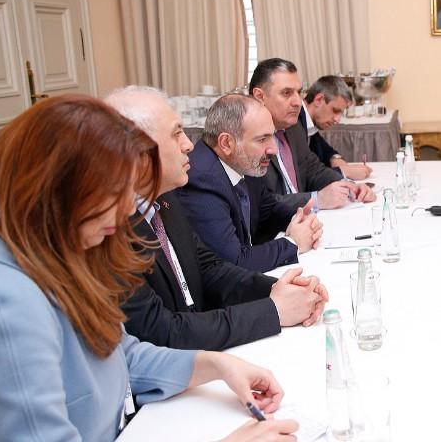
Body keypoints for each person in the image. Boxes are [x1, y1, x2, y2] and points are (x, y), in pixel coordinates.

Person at [0, 95, 296, 440]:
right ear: (60, 191)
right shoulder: (1, 300)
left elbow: (121, 355)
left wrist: (216, 365)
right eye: (115, 189)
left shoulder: (59, 254)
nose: (127, 207)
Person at [105, 86, 328, 351]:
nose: (189, 144)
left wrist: (280, 290)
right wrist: (274, 310)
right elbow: (160, 331)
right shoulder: (109, 228)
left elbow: (208, 268)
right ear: (136, 152)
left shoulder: (165, 198)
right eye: (176, 134)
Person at [176, 94, 322, 273]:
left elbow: (268, 209)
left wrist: (299, 219)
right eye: (262, 139)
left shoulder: (242, 159)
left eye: (272, 136)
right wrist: (293, 243)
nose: (273, 149)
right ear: (226, 143)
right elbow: (235, 261)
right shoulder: (201, 181)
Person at [248, 60, 374, 212]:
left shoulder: (292, 127)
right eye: (286, 93)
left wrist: (349, 185)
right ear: (259, 97)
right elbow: (262, 204)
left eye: (299, 92)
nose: (298, 102)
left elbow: (313, 170)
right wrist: (317, 199)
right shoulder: (246, 140)